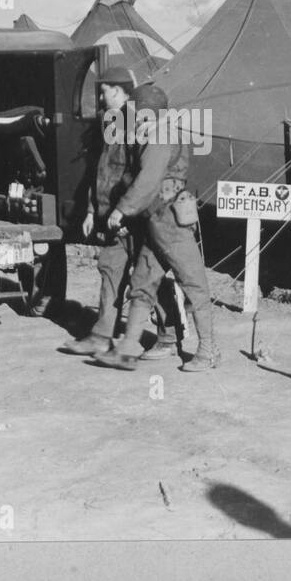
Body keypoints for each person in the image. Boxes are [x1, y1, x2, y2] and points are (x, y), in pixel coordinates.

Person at [95, 83, 219, 373]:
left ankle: (209, 351)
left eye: (134, 108)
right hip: (156, 223)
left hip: (170, 225)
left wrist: (121, 209)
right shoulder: (153, 133)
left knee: (195, 286)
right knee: (142, 284)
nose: (130, 112)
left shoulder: (160, 136)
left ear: (142, 109)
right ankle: (126, 351)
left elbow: (149, 180)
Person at [61, 68, 183, 356]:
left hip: (135, 217)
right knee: (110, 268)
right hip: (114, 215)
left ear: (118, 91)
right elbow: (102, 171)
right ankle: (102, 335)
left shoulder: (140, 123)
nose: (100, 97)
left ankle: (168, 337)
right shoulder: (113, 124)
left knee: (149, 276)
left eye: (103, 91)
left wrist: (126, 213)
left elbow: (138, 177)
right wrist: (93, 209)